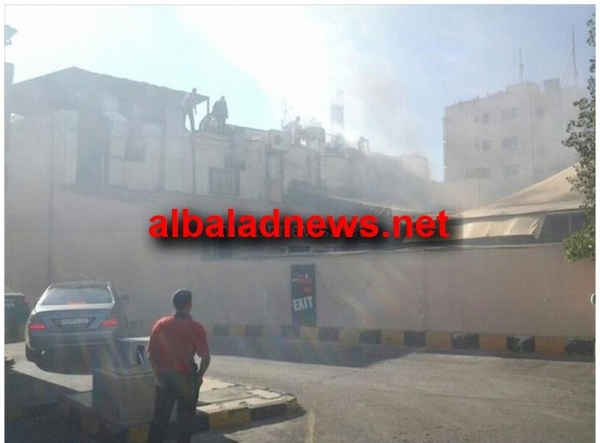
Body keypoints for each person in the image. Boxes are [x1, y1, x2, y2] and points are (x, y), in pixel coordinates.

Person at [147, 289, 211, 443]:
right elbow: (205, 358)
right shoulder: (196, 327)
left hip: (165, 378)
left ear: (173, 304)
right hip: (187, 380)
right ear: (189, 305)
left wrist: (157, 376)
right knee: (185, 422)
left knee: (160, 420)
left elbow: (151, 356)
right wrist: (199, 377)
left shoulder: (161, 324)